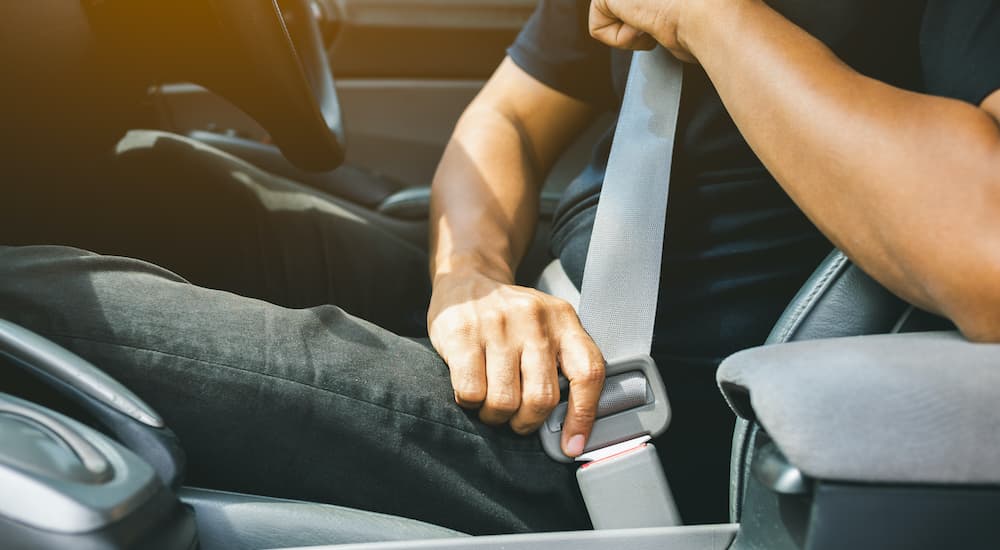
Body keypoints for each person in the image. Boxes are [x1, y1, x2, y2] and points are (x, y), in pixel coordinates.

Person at [3, 0, 999, 535]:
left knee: (34, 307)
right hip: (545, 303)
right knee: (158, 181)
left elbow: (984, 251)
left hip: (611, 431)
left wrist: (716, 16)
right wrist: (468, 280)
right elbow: (506, 121)